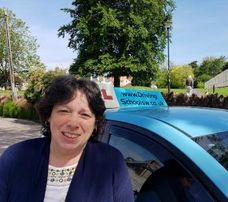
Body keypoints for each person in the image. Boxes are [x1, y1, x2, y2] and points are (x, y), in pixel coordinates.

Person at [0, 75, 134, 202]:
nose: (73, 123)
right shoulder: (16, 156)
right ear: (49, 116)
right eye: (64, 111)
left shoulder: (111, 162)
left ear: (95, 124)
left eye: (85, 115)